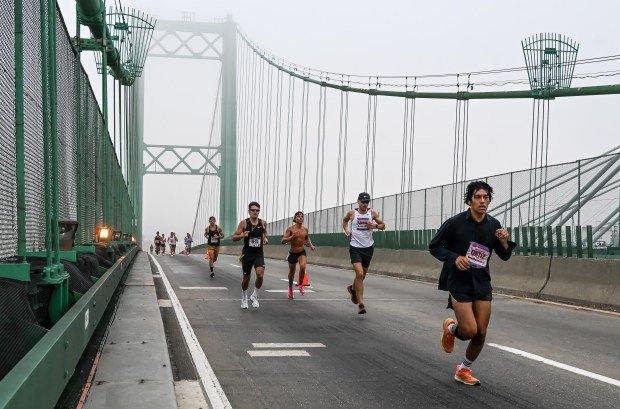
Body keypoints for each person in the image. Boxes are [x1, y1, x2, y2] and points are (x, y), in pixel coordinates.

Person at [429, 180, 516, 386]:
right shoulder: (455, 223)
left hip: (482, 281)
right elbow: (434, 246)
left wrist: (504, 241)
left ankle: (463, 369)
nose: (482, 201)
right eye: (478, 197)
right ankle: (451, 329)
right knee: (468, 331)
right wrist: (454, 257)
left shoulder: (494, 225)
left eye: (486, 197)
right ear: (469, 200)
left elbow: (504, 256)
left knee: (482, 331)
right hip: (459, 281)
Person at [342, 192, 385, 314]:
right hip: (355, 247)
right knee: (359, 273)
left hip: (368, 248)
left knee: (362, 276)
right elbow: (345, 221)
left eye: (367, 202)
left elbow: (383, 225)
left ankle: (352, 289)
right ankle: (361, 304)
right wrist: (346, 230)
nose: (365, 204)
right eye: (363, 202)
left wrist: (374, 225)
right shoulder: (352, 213)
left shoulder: (372, 213)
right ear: (358, 202)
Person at [232, 202, 268, 309]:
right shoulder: (244, 223)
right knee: (246, 279)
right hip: (247, 254)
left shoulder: (263, 222)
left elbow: (264, 233)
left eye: (257, 210)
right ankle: (244, 296)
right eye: (253, 210)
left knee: (260, 275)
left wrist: (265, 238)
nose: (255, 212)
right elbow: (234, 237)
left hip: (258, 254)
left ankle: (254, 295)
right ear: (249, 211)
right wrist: (243, 235)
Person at [281, 211, 316, 299]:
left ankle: (300, 284)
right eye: (298, 216)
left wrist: (311, 245)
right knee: (291, 273)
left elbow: (307, 238)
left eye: (302, 216)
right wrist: (291, 237)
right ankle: (290, 289)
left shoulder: (305, 229)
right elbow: (282, 241)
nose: (301, 218)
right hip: (292, 253)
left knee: (303, 266)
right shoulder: (290, 229)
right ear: (295, 218)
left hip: (301, 252)